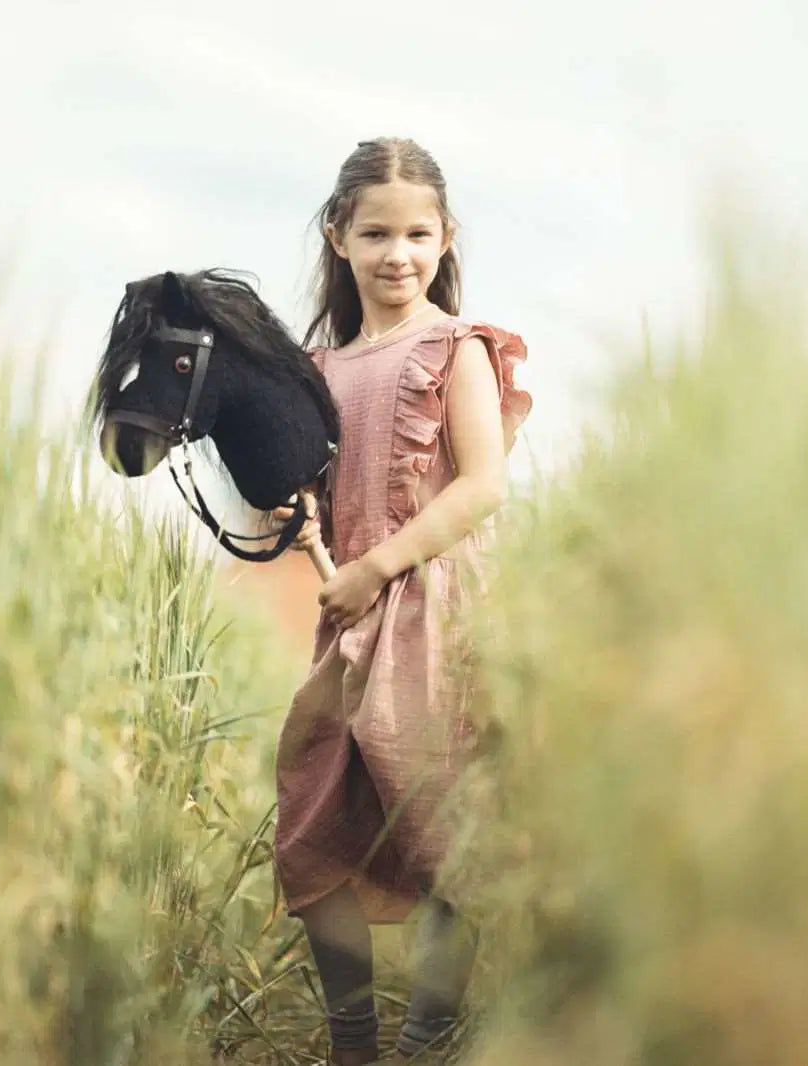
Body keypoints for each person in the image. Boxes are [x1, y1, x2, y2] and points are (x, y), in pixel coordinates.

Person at [270, 137, 532, 1065]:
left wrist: (379, 566)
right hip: (351, 618)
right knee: (309, 816)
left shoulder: (454, 348)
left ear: (446, 236)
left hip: (437, 608)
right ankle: (354, 1043)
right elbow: (313, 493)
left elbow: (482, 487)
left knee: (439, 824)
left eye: (418, 233)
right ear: (338, 237)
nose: (398, 254)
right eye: (376, 232)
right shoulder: (321, 370)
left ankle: (426, 1040)